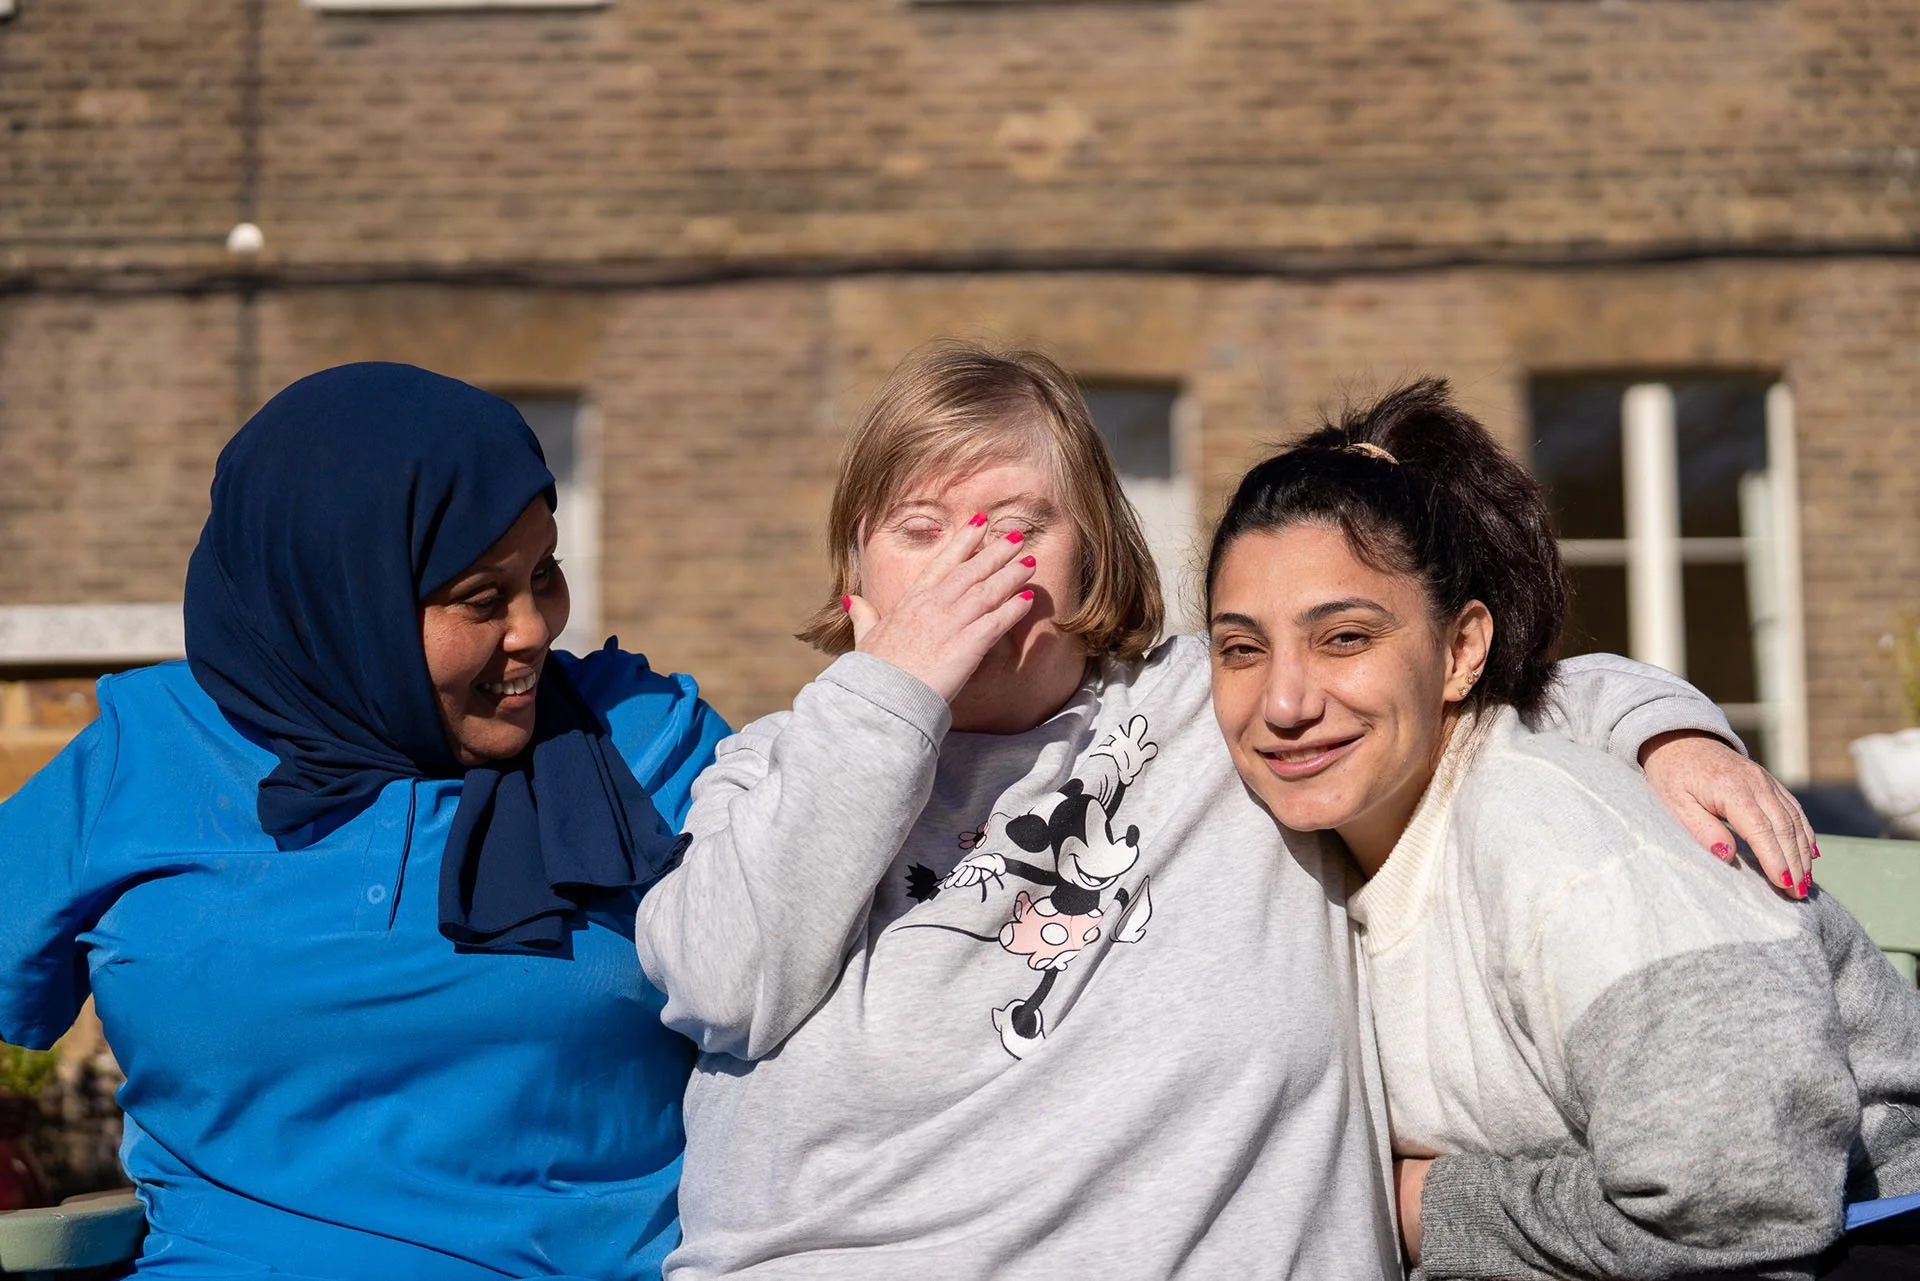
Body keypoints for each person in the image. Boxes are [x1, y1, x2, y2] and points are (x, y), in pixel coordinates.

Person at [634, 341, 1815, 1279]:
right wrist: (889, 698)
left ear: (1093, 554)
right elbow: (723, 984)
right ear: (856, 575)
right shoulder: (785, 765)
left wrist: (1668, 731)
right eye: (922, 533)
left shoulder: (1223, 700)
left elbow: (1451, 679)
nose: (969, 573)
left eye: (1016, 528)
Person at [0, 364, 730, 1280]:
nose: (534, 628)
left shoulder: (646, 739)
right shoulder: (140, 759)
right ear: (343, 599)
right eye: (480, 598)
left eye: (543, 573)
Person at [1203, 377, 1920, 1281]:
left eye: (1345, 637)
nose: (1284, 701)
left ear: (1462, 650)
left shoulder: (1561, 843)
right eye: (1240, 648)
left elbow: (1743, 1210)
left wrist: (1417, 1205)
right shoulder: (1302, 833)